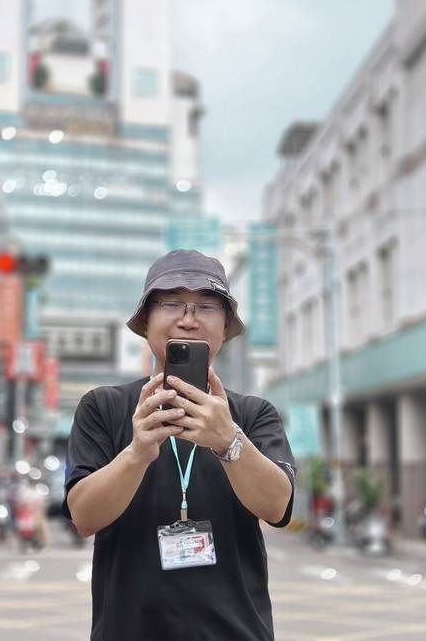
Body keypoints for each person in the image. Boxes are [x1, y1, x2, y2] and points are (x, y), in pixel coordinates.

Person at [64, 249, 297, 641]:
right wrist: (137, 453)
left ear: (225, 326)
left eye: (206, 306)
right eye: (171, 302)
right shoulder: (103, 407)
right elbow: (83, 518)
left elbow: (278, 507)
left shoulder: (254, 414)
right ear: (146, 321)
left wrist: (229, 440)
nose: (188, 318)